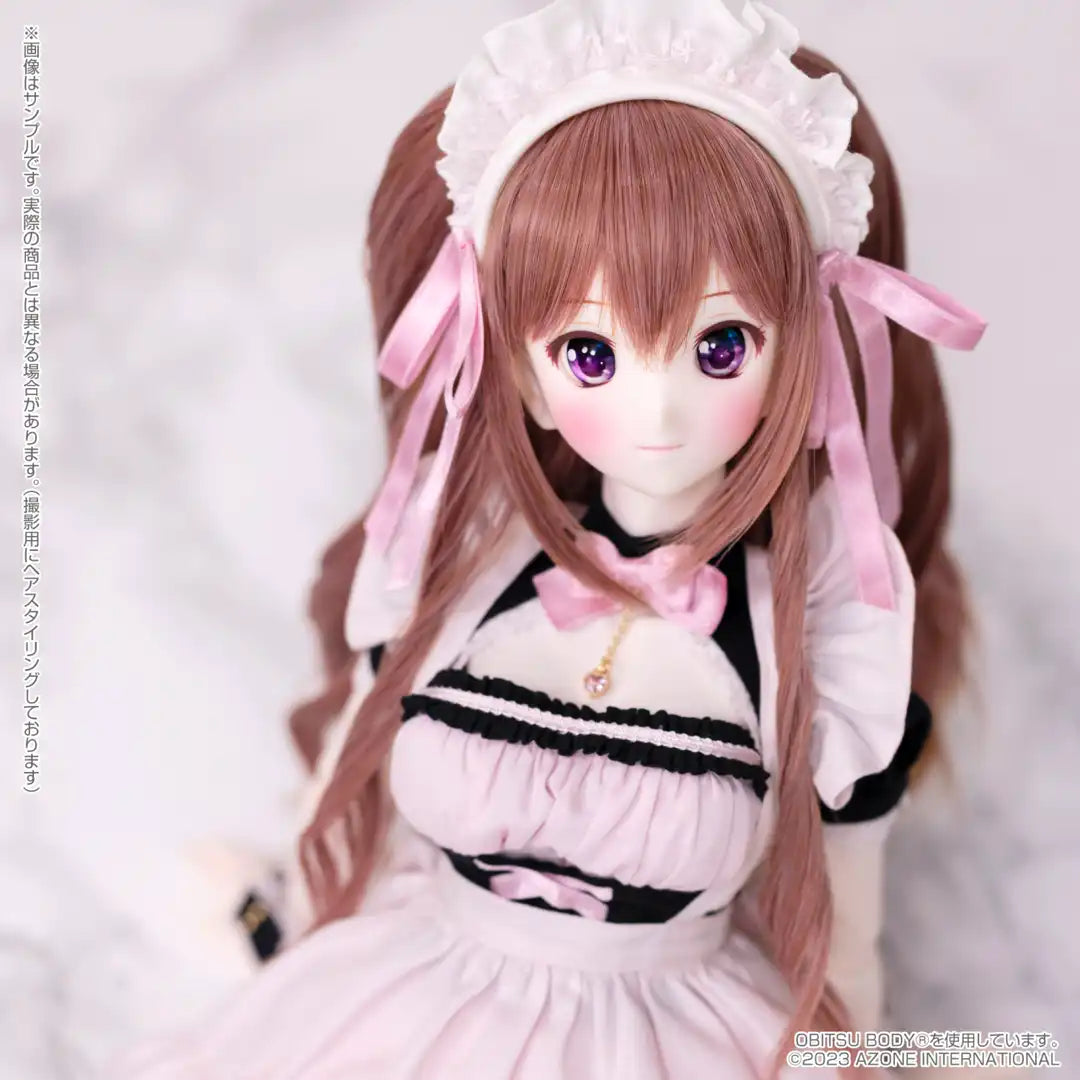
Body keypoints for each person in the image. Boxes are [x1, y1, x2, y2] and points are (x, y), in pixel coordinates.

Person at [108, 2, 985, 1077]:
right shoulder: (464, 559)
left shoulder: (819, 626)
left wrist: (909, 1054)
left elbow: (843, 935)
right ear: (519, 372)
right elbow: (351, 788)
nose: (659, 411)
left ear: (803, 350)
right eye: (590, 353)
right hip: (404, 1007)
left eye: (721, 345)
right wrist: (288, 919)